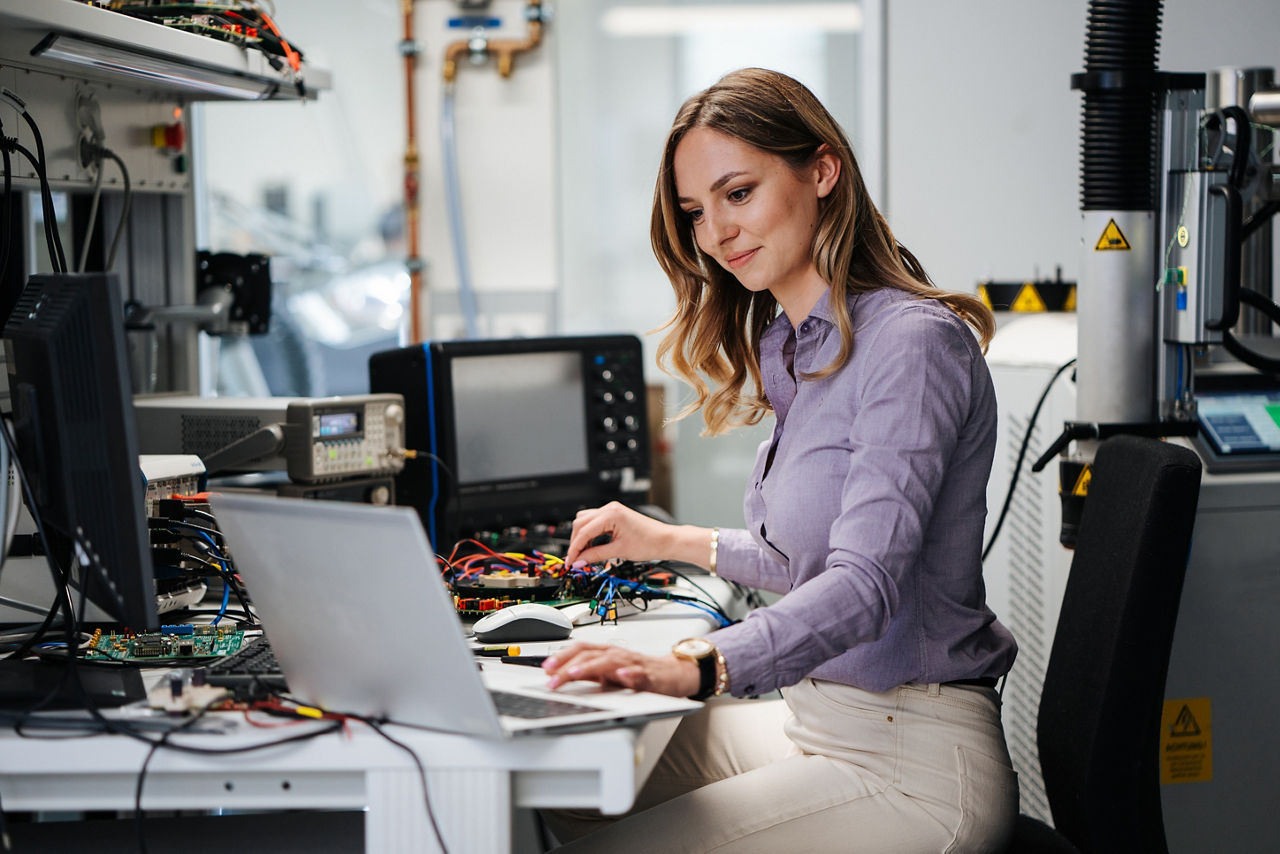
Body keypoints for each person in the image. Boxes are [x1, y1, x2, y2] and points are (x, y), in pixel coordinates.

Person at [541, 67, 1019, 853]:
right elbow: (802, 559)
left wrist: (698, 665)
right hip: (819, 719)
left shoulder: (911, 344)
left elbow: (863, 586)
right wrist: (663, 540)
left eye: (739, 193)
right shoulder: (793, 344)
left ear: (822, 171)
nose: (716, 233)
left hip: (914, 759)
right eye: (696, 212)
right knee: (578, 789)